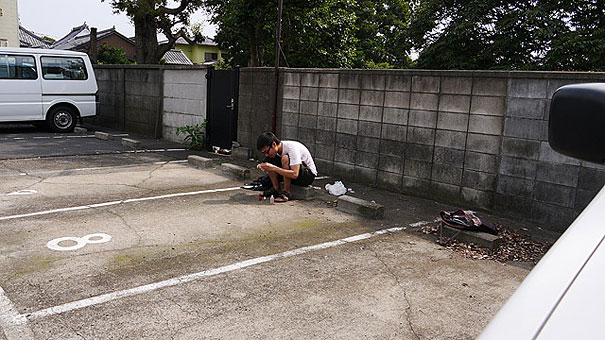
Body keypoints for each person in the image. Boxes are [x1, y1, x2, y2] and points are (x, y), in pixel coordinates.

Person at [256, 132, 317, 202]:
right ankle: (276, 189)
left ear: (274, 144)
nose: (266, 154)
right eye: (264, 153)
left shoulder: (291, 148)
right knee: (268, 161)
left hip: (307, 176)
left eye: (267, 151)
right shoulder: (276, 151)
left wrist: (273, 168)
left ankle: (286, 192)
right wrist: (262, 166)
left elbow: (295, 174)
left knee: (285, 158)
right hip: (294, 174)